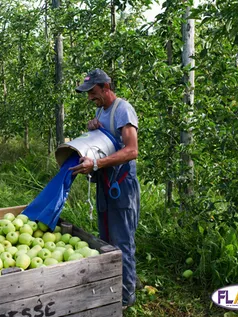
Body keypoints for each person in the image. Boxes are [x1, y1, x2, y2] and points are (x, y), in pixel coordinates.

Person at [69, 68, 140, 309]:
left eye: (92, 92)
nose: (89, 97)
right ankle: (117, 284)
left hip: (121, 185)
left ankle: (126, 296)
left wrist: (96, 163)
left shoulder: (123, 110)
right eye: (88, 93)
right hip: (105, 183)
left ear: (106, 87)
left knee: (122, 240)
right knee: (106, 238)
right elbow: (107, 142)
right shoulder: (101, 110)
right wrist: (94, 130)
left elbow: (132, 150)